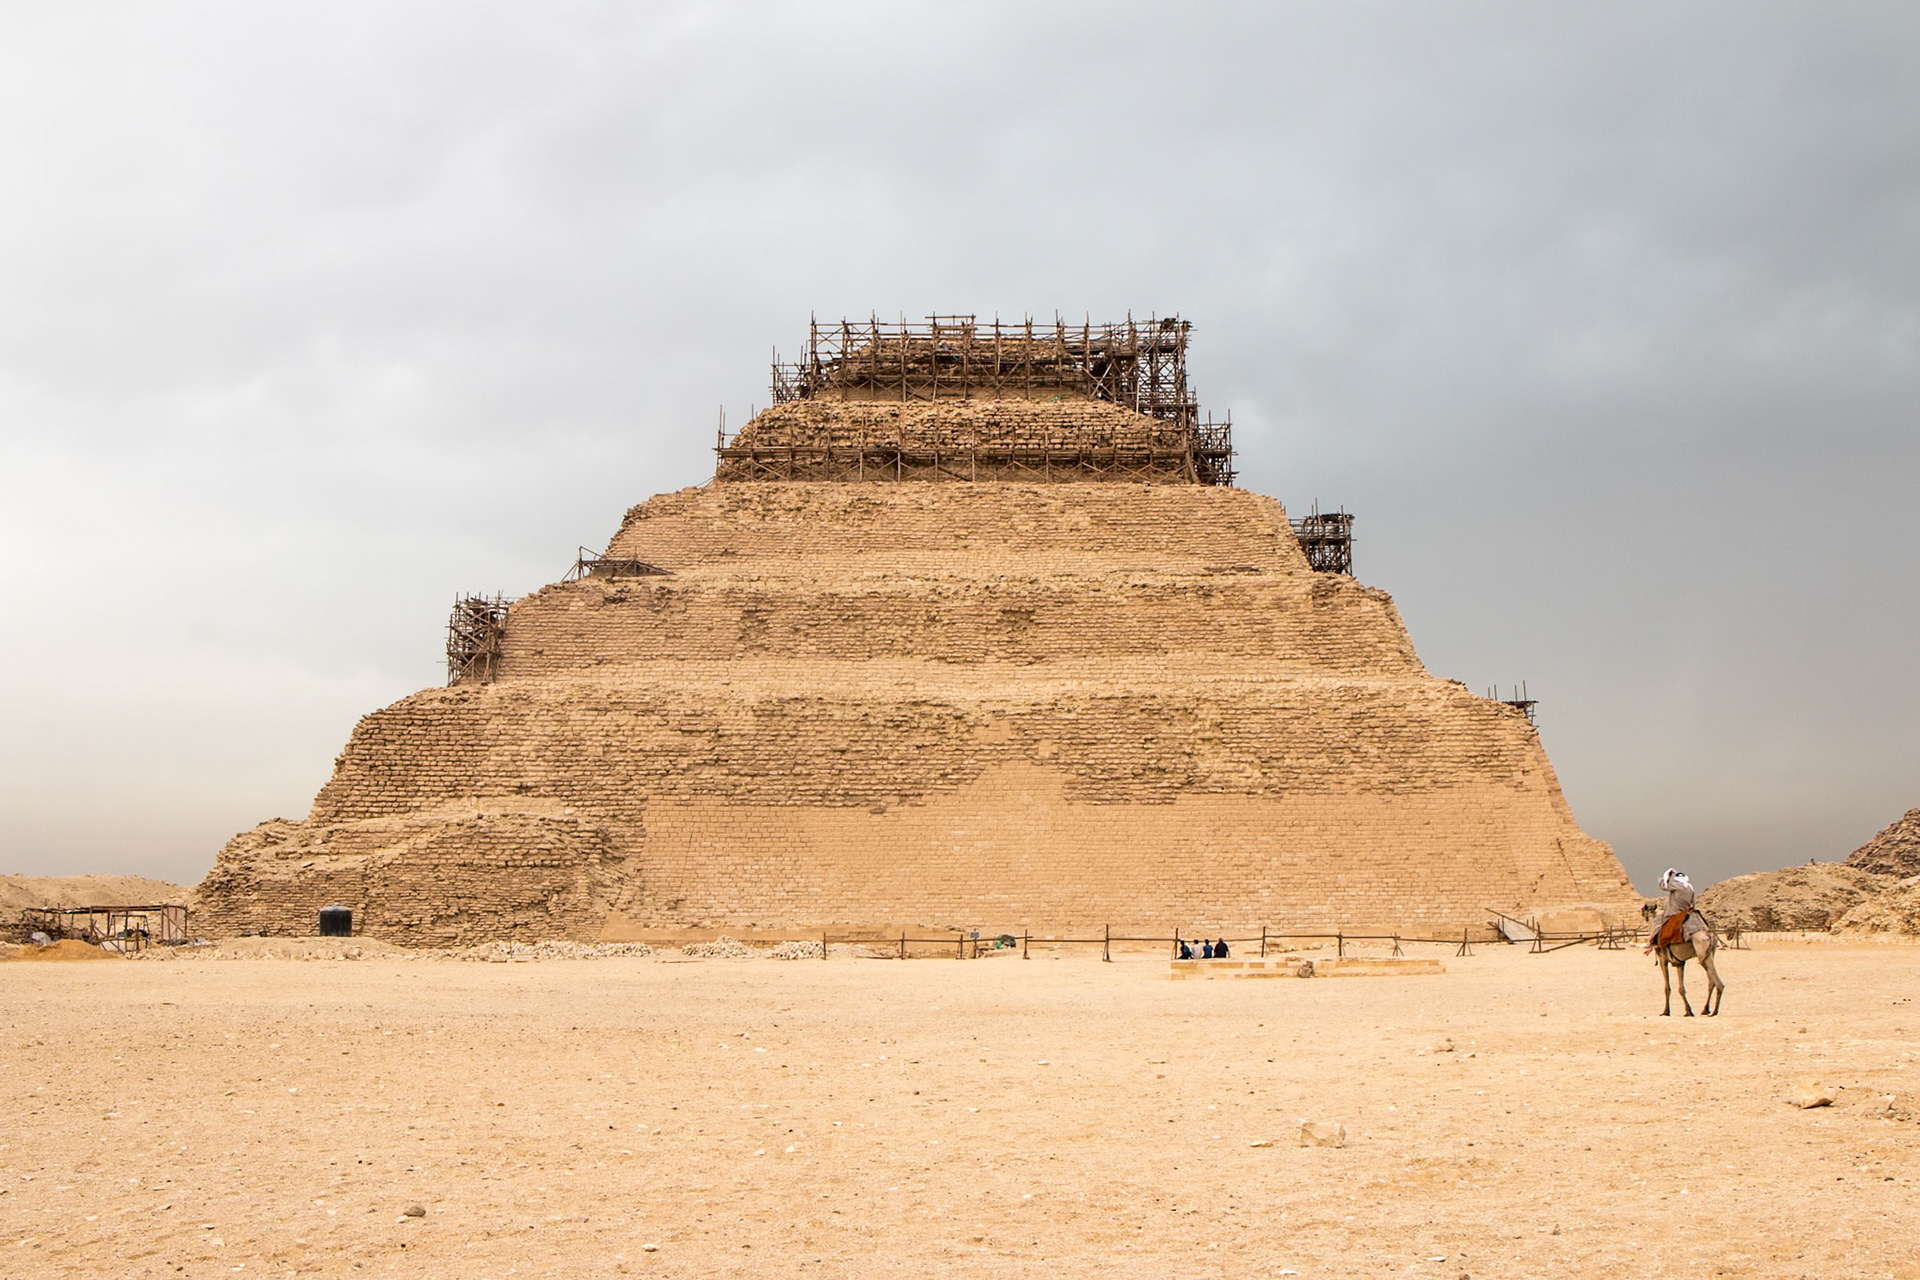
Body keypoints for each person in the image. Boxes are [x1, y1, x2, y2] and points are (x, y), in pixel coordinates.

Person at [1644, 868, 1699, 954]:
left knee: (1658, 920)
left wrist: (1666, 876)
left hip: (1673, 912)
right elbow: (1693, 902)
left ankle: (1652, 942)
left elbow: (1663, 886)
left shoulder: (1677, 886)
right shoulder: (1690, 887)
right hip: (1687, 912)